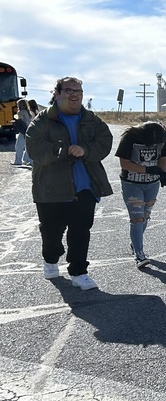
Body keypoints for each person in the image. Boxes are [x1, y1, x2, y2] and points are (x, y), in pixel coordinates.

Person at [24, 76, 113, 290]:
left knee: (81, 230)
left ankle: (79, 271)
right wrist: (58, 150)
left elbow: (105, 141)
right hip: (50, 188)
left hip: (84, 186)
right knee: (52, 231)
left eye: (78, 91)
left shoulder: (92, 119)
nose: (74, 95)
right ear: (57, 93)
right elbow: (34, 149)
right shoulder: (42, 121)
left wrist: (86, 150)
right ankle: (50, 259)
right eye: (69, 90)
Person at [115, 121, 166, 268]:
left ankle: (135, 242)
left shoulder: (162, 139)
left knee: (145, 216)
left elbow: (163, 159)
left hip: (152, 184)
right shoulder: (130, 138)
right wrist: (147, 170)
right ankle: (139, 254)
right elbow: (125, 163)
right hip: (132, 183)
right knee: (137, 217)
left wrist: (162, 174)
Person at [12, 98, 32, 166]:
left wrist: (14, 121)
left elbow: (20, 121)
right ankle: (27, 160)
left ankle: (18, 161)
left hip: (23, 130)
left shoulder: (20, 112)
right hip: (29, 130)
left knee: (18, 146)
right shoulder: (28, 112)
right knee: (27, 146)